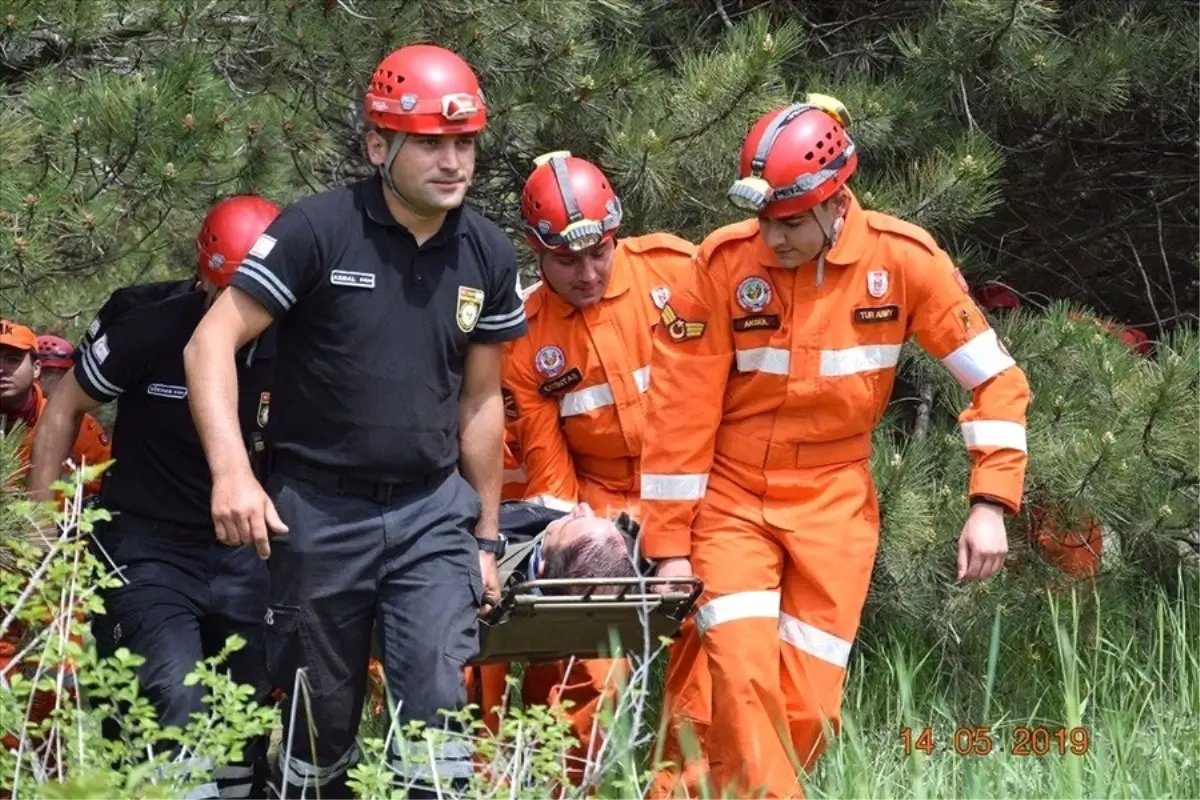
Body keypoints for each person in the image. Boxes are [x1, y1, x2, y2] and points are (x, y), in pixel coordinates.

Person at [638, 99, 1031, 798]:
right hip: (733, 499)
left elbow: (997, 379)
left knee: (807, 710)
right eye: (763, 220)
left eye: (789, 223)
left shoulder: (904, 261)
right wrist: (669, 546)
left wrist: (990, 501)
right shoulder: (724, 264)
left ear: (836, 202)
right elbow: (678, 411)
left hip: (835, 503)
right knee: (739, 675)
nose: (772, 238)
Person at [181, 44, 527, 799]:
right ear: (379, 145)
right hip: (318, 511)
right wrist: (234, 473)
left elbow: (479, 404)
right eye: (430, 142)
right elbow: (209, 343)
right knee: (318, 720)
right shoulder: (317, 229)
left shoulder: (489, 251)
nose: (452, 162)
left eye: (464, 143)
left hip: (432, 511)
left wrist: (488, 539)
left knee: (438, 696)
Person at [27, 194, 282, 800]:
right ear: (203, 279)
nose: (242, 312)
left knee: (244, 722)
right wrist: (40, 522)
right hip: (149, 550)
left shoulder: (297, 346)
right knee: (175, 697)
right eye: (226, 293)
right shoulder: (148, 327)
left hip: (249, 551)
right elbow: (64, 407)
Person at [500, 150, 702, 785]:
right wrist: (577, 543)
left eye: (599, 253)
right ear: (537, 252)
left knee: (715, 641)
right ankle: (558, 785)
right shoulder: (524, 334)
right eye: (566, 260)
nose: (587, 273)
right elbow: (549, 480)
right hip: (599, 498)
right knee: (578, 656)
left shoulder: (676, 272)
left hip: (699, 486)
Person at [1, 320, 110, 498]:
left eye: (12, 359)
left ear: (36, 369)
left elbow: (106, 490)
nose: (1, 369)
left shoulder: (75, 425)